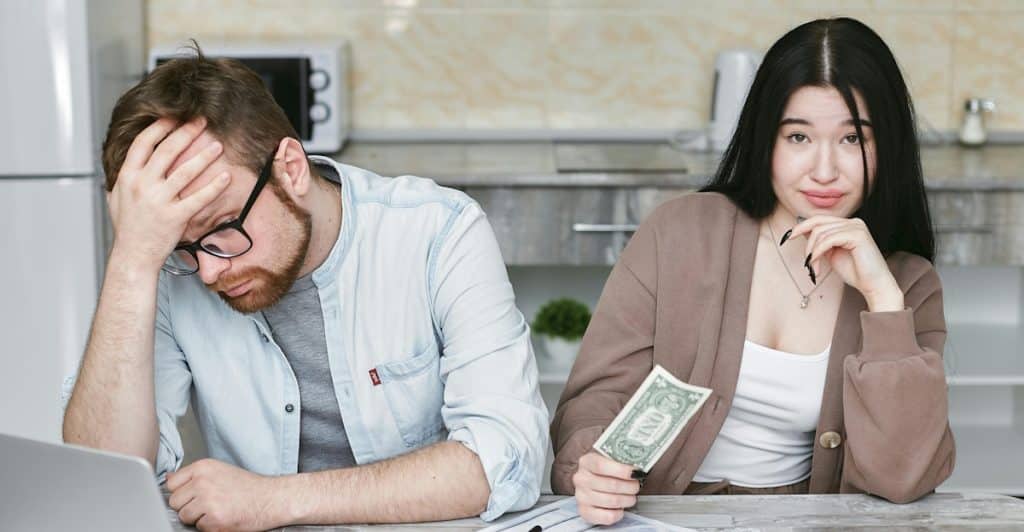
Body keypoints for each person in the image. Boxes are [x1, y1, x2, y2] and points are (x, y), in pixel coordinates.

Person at [61, 48, 548, 531]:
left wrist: (274, 500)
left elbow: (505, 457)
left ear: (290, 169)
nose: (207, 271)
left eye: (223, 228)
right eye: (183, 247)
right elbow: (103, 483)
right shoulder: (169, 268)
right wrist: (132, 258)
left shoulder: (437, 232)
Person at [550, 17, 955, 525]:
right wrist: (593, 463)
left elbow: (905, 479)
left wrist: (883, 300)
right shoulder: (680, 232)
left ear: (887, 147)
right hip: (655, 512)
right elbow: (596, 398)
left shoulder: (907, 284)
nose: (825, 170)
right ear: (765, 139)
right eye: (799, 137)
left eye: (852, 140)